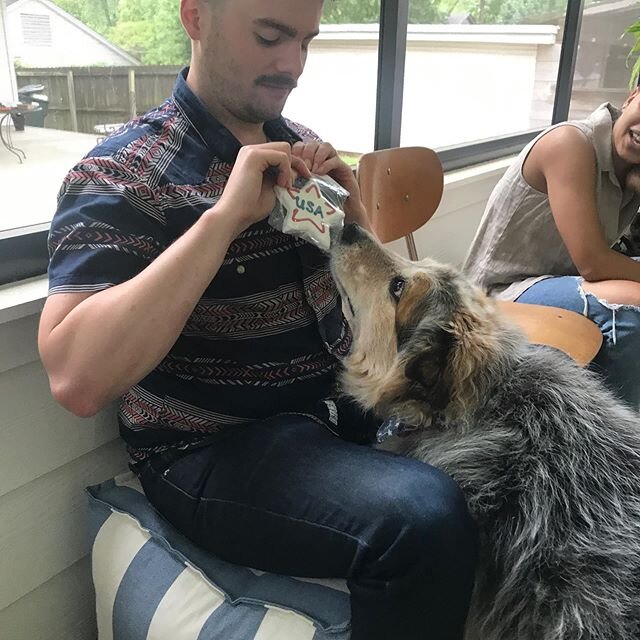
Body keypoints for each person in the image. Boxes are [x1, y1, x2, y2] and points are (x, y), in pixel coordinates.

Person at [37, 1, 478, 638]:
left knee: (511, 437)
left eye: (305, 42)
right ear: (195, 17)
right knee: (424, 516)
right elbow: (75, 378)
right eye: (270, 37)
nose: (292, 64)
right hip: (217, 448)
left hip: (336, 408)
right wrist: (222, 220)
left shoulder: (296, 145)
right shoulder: (122, 172)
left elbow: (374, 296)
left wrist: (352, 209)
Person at [464, 88, 640, 408]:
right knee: (633, 306)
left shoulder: (629, 167)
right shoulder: (570, 144)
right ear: (633, 96)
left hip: (557, 282)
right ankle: (615, 438)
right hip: (498, 294)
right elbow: (594, 264)